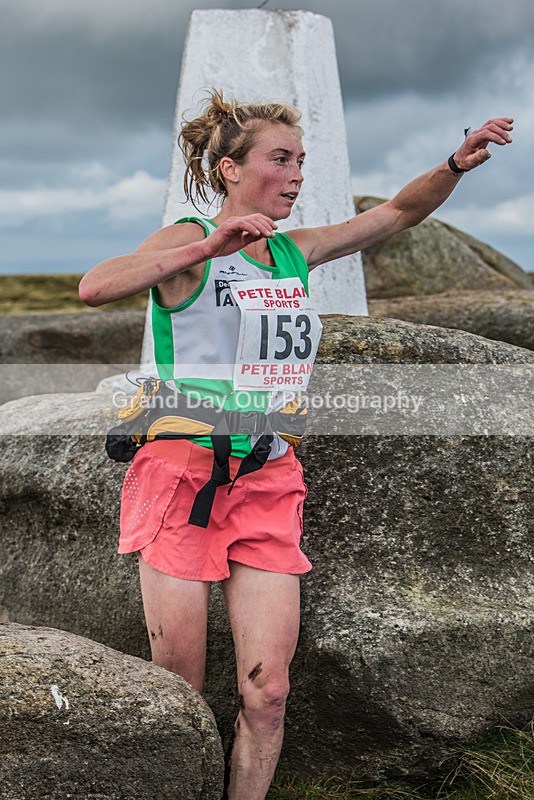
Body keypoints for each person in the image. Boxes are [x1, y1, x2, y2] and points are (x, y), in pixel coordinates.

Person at [79, 90, 513, 800]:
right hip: (181, 474)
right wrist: (206, 247)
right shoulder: (187, 241)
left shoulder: (292, 251)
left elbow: (396, 214)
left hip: (267, 474)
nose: (297, 174)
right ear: (230, 169)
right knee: (178, 694)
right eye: (280, 159)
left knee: (269, 693)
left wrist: (453, 164)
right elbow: (96, 287)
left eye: (301, 160)